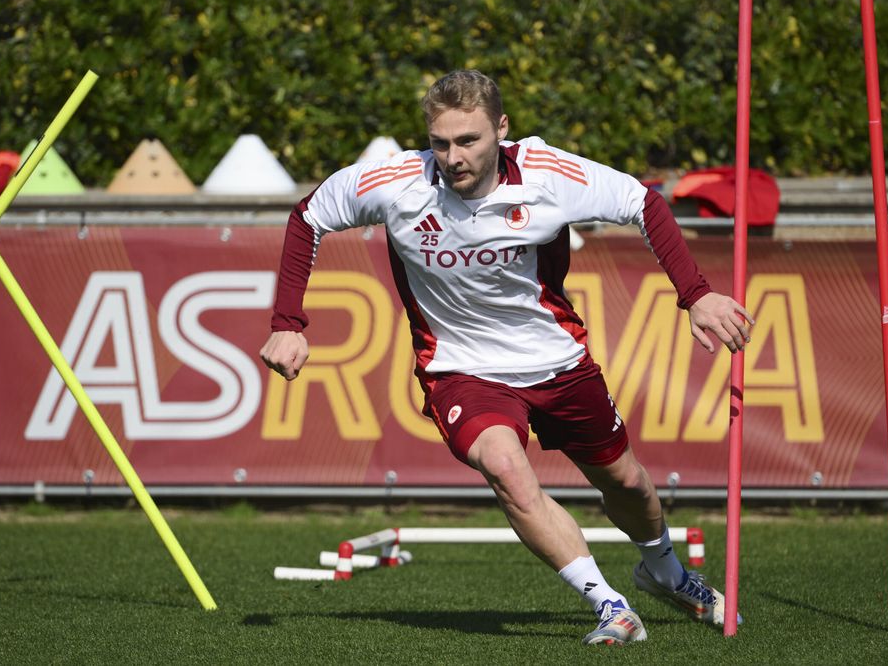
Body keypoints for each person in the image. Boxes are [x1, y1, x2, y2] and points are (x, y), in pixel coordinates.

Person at [261, 69, 753, 646]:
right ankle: (610, 605)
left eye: (468, 141)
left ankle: (664, 572)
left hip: (556, 359)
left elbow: (642, 203)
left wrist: (695, 295)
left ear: (501, 129)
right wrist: (287, 323)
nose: (453, 158)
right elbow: (309, 216)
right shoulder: (397, 182)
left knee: (626, 481)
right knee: (505, 467)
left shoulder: (547, 173)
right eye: (440, 142)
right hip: (461, 369)